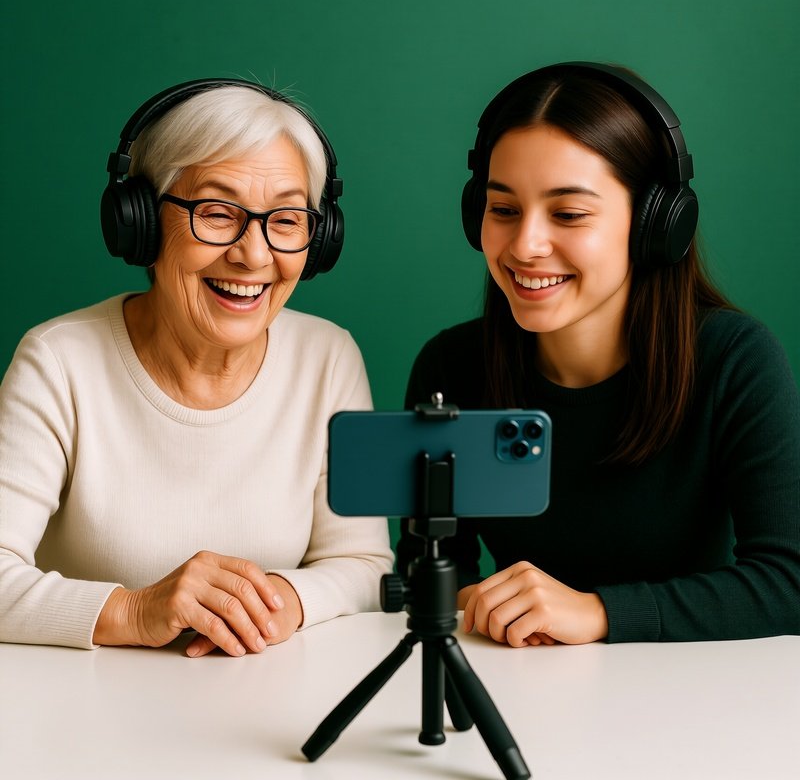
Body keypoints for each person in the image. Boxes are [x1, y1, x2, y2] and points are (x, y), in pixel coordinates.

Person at [398, 61, 800, 645]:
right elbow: (426, 567)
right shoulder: (451, 367)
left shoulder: (734, 359)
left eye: (569, 214)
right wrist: (476, 603)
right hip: (521, 685)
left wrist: (595, 612)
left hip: (695, 702)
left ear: (655, 224)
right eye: (503, 209)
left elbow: (789, 582)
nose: (526, 245)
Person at [0, 79, 393, 657]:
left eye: (286, 221)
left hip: (262, 706)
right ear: (142, 223)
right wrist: (134, 611)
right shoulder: (59, 361)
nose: (253, 256)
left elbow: (363, 563)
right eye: (215, 212)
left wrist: (271, 603)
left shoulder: (328, 357)